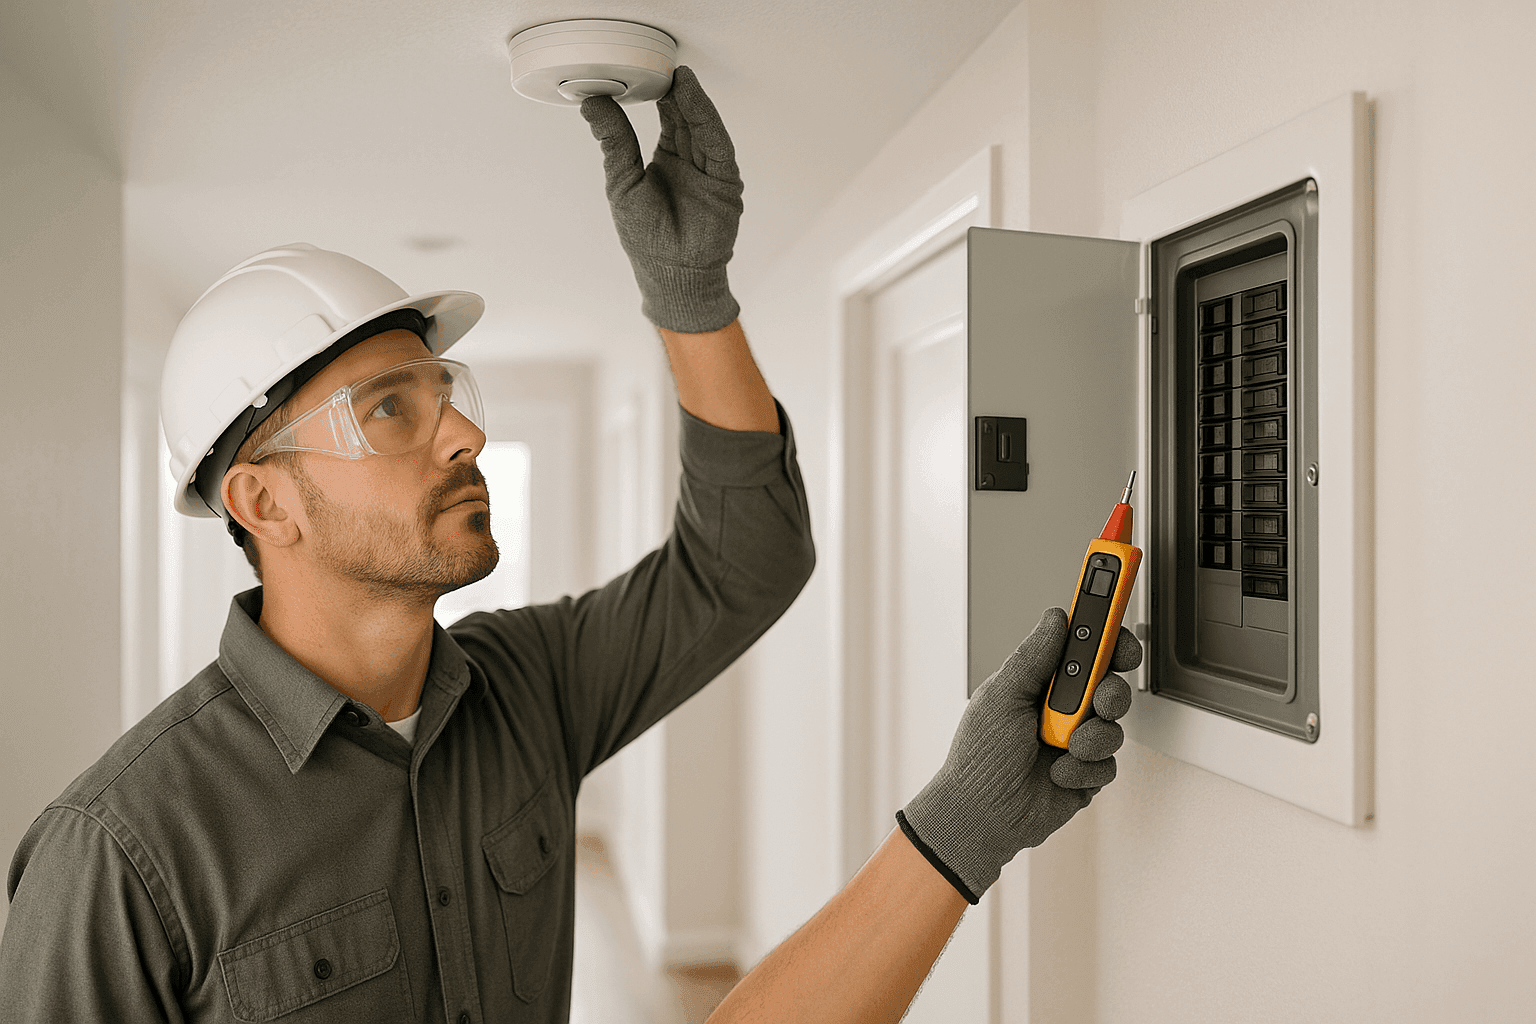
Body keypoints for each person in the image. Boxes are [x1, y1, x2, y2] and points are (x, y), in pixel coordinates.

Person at [0, 68, 1136, 1023]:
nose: (464, 431)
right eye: (391, 409)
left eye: (445, 391)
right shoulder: (117, 855)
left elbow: (742, 562)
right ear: (264, 500)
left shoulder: (523, 691)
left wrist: (691, 301)